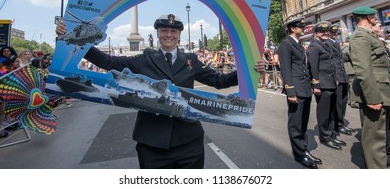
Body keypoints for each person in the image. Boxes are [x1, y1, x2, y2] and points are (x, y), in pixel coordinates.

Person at [56, 13, 264, 169]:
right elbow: (109, 61)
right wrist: (70, 37)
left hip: (188, 141)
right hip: (152, 142)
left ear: (179, 35)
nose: (168, 34)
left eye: (173, 31)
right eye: (164, 31)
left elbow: (219, 80)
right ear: (157, 34)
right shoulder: (145, 58)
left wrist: (249, 69)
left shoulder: (190, 61)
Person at [349, 6, 390, 169]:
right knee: (375, 140)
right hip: (375, 93)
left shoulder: (368, 35)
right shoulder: (360, 36)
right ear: (367, 17)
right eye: (374, 16)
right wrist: (372, 98)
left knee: (380, 135)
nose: (376, 19)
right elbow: (363, 70)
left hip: (382, 90)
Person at [278, 17, 321, 169]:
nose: (303, 29)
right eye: (300, 27)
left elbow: (303, 66)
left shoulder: (298, 43)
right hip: (295, 88)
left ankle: (304, 148)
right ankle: (299, 154)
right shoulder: (285, 44)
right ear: (292, 29)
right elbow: (286, 69)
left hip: (304, 88)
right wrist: (290, 91)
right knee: (295, 124)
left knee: (303, 122)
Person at [307, 21, 346, 150]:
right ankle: (325, 137)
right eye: (321, 31)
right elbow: (313, 67)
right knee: (324, 112)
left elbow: (332, 64)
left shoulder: (326, 45)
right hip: (322, 84)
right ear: (316, 33)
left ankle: (331, 135)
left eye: (326, 31)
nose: (325, 33)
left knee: (331, 111)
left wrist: (335, 79)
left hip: (331, 82)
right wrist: (316, 85)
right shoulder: (314, 46)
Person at [327, 25, 354, 136]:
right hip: (337, 76)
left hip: (343, 75)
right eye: (332, 32)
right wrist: (335, 77)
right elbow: (331, 62)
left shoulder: (335, 42)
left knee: (343, 101)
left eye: (336, 32)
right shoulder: (328, 43)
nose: (334, 34)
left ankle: (341, 123)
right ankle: (338, 125)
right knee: (338, 103)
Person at [341, 36, 359, 109]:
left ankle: (349, 100)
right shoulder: (347, 48)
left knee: (348, 85)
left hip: (345, 67)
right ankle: (353, 101)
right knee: (352, 85)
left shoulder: (342, 47)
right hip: (350, 68)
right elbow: (352, 57)